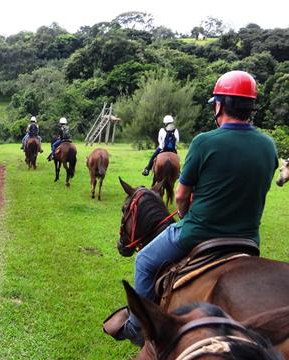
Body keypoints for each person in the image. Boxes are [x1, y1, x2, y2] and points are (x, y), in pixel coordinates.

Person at [108, 70, 278, 346]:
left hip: (198, 233)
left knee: (144, 261)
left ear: (220, 105)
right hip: (248, 240)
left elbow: (180, 195)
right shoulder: (269, 146)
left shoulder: (205, 142)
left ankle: (137, 327)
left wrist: (187, 216)